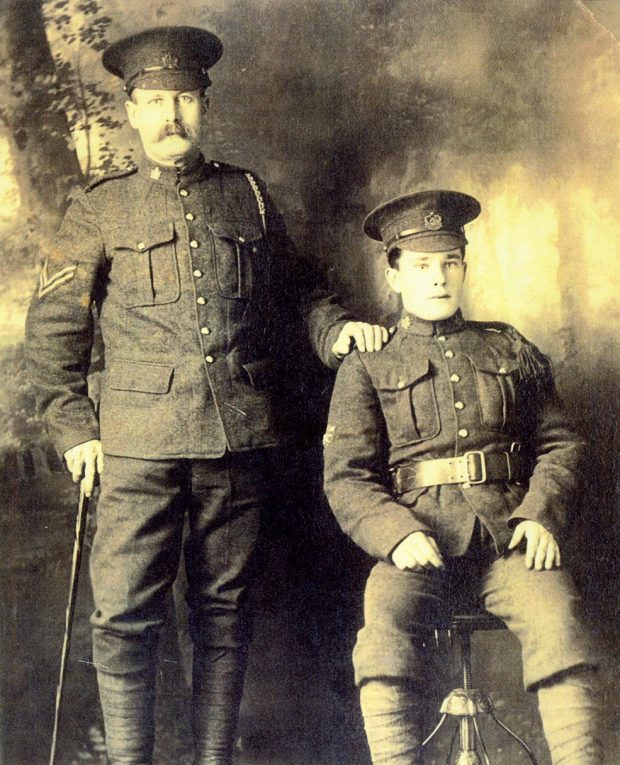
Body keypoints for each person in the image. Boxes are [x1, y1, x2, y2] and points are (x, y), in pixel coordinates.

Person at [25, 25, 388, 765]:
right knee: (126, 618)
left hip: (238, 440)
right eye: (155, 101)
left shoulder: (247, 195)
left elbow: (302, 290)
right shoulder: (100, 209)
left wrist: (337, 331)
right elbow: (54, 331)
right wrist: (74, 431)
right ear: (130, 111)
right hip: (136, 446)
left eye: (184, 99)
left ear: (204, 104)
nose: (171, 117)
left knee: (224, 613)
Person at [322, 190, 604, 765]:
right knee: (383, 626)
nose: (438, 278)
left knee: (559, 617)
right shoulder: (368, 363)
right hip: (417, 545)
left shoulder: (509, 347)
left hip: (508, 540)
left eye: (450, 262)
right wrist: (397, 535)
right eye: (422, 266)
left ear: (464, 267)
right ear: (394, 275)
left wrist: (540, 515)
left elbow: (560, 444)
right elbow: (346, 476)